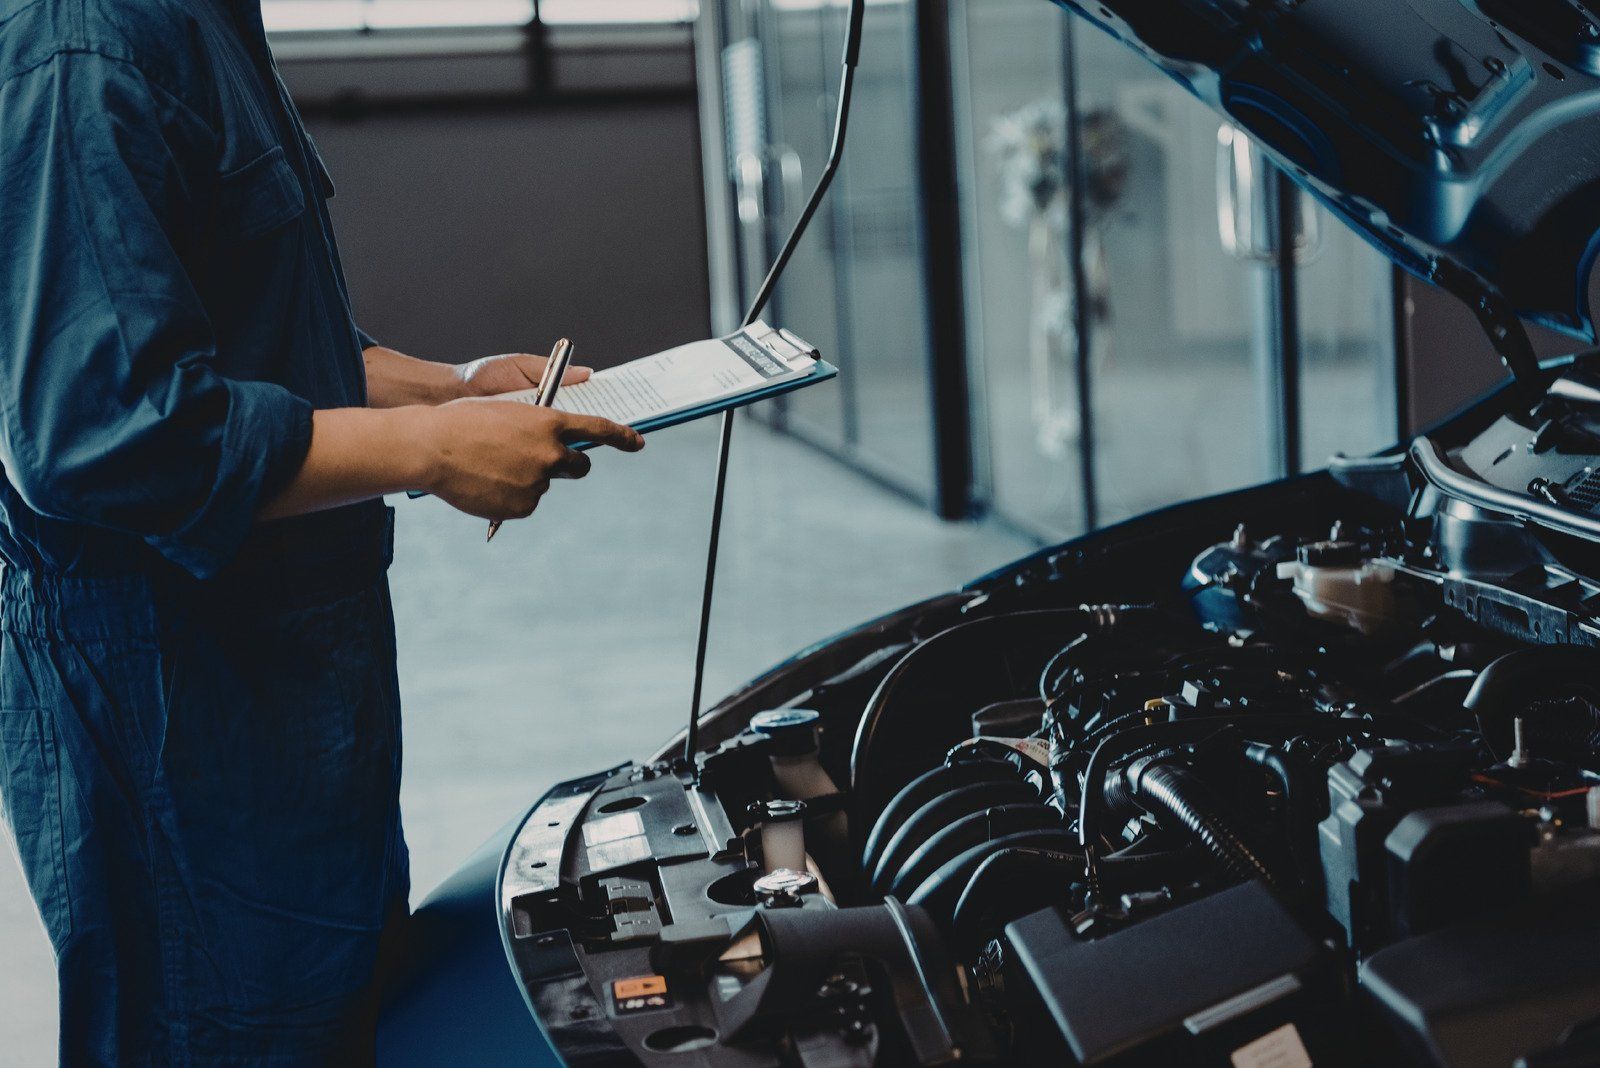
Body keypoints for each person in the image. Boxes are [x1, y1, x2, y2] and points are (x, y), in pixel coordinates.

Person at [0, 0, 645, 1062]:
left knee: (320, 1022)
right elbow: (95, 429)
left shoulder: (201, 20)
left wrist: (452, 389)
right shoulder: (85, 38)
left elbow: (254, 332)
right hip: (172, 707)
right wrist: (434, 453)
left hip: (277, 698)